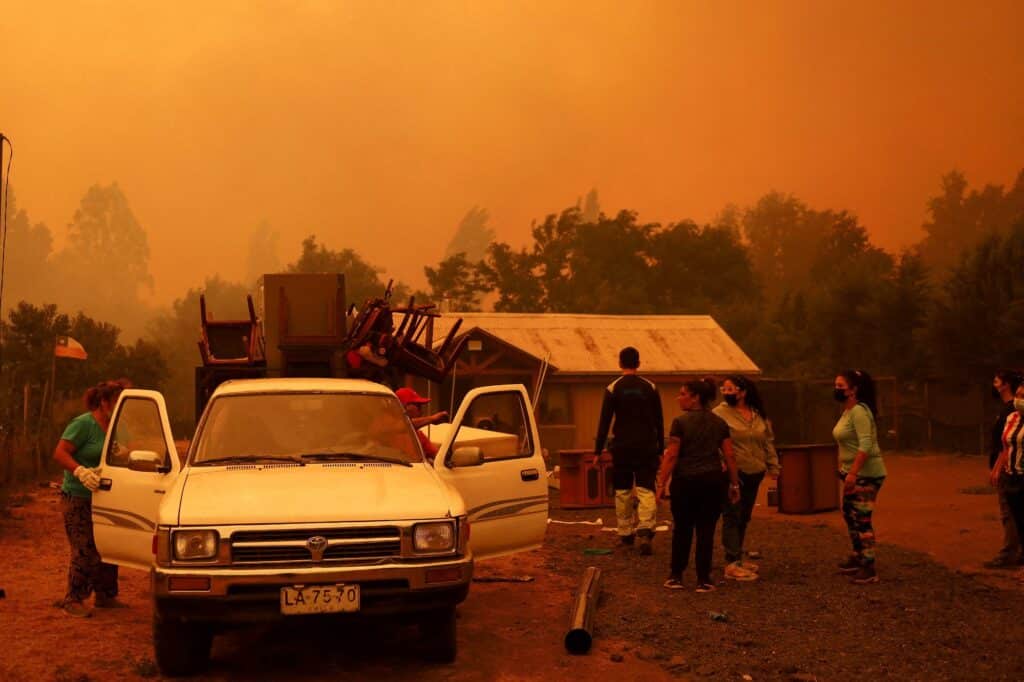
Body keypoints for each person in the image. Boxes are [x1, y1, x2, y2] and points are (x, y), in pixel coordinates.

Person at [53, 380, 129, 617]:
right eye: (117, 402)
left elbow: (124, 452)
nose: (120, 408)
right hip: (78, 496)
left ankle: (105, 595)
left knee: (108, 545)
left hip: (105, 496)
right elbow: (60, 452)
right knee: (84, 548)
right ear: (104, 402)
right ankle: (73, 598)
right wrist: (80, 471)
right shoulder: (83, 424)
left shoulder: (117, 426)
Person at [657, 379, 739, 592]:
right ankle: (703, 579)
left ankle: (676, 575)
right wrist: (734, 483)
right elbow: (729, 454)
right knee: (706, 530)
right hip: (712, 482)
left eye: (683, 394)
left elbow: (672, 455)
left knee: (682, 528)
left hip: (685, 481)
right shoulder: (719, 423)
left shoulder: (680, 423)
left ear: (695, 398)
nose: (679, 398)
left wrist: (661, 483)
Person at [594, 347, 665, 556]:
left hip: (622, 447)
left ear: (620, 363)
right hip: (646, 446)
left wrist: (598, 450)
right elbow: (659, 421)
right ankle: (645, 530)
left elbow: (604, 420)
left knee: (623, 491)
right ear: (639, 363)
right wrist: (660, 448)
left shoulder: (613, 388)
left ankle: (625, 534)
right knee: (645, 489)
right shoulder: (650, 387)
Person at [713, 376, 780, 581]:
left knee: (744, 515)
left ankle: (737, 557)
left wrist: (773, 465)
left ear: (743, 392)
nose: (726, 392)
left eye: (730, 389)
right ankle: (731, 563)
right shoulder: (719, 414)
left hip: (755, 471)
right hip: (733, 472)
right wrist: (720, 462)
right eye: (724, 389)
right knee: (732, 514)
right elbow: (714, 441)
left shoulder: (757, 414)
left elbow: (767, 441)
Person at [832, 369, 886, 584]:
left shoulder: (860, 412)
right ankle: (858, 556)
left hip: (867, 474)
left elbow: (866, 445)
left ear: (854, 390)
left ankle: (869, 566)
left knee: (862, 518)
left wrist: (854, 472)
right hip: (852, 473)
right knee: (849, 513)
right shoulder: (848, 411)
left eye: (841, 387)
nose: (836, 390)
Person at [984, 370, 1023, 569]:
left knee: (1010, 512)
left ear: (1006, 384)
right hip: (1009, 468)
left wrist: (998, 467)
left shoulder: (1012, 411)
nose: (994, 383)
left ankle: (1009, 552)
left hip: (1012, 471)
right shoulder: (1008, 411)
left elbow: (1007, 445)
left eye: (996, 380)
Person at [395, 387, 449, 462]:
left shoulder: (418, 435)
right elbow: (402, 425)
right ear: (403, 406)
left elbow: (438, 456)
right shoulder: (385, 425)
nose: (421, 410)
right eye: (418, 405)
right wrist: (432, 419)